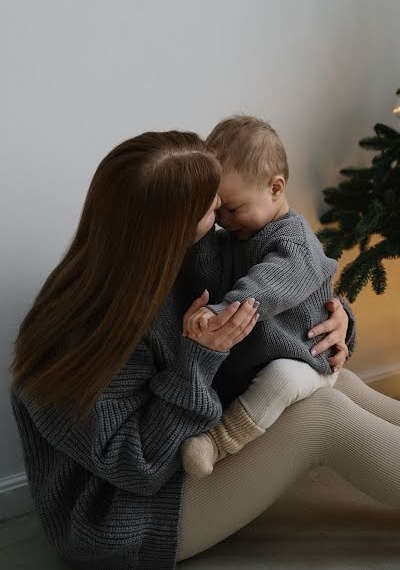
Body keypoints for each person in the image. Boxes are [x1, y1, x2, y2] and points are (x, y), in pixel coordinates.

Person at [8, 131, 400, 570]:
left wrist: (337, 320)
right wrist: (199, 358)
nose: (222, 219)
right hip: (125, 518)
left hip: (182, 462)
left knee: (334, 382)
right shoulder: (80, 331)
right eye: (213, 210)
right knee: (320, 415)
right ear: (172, 226)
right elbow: (138, 466)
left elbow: (273, 290)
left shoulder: (186, 255)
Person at [180, 115, 349, 478]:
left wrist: (219, 311)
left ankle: (219, 442)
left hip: (306, 359)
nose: (224, 220)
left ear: (275, 188)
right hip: (263, 357)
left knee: (283, 378)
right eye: (217, 209)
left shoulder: (294, 243)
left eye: (233, 208)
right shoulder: (236, 237)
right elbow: (206, 272)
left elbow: (266, 287)